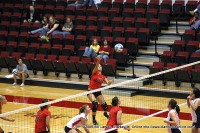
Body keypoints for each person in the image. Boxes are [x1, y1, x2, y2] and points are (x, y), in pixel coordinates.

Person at [87, 57, 112, 125]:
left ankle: (105, 113)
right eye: (99, 66)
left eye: (101, 66)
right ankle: (94, 119)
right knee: (95, 104)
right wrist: (98, 62)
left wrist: (109, 82)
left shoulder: (103, 76)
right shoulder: (94, 73)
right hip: (91, 91)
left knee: (105, 106)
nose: (99, 67)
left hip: (98, 92)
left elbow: (107, 83)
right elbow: (96, 66)